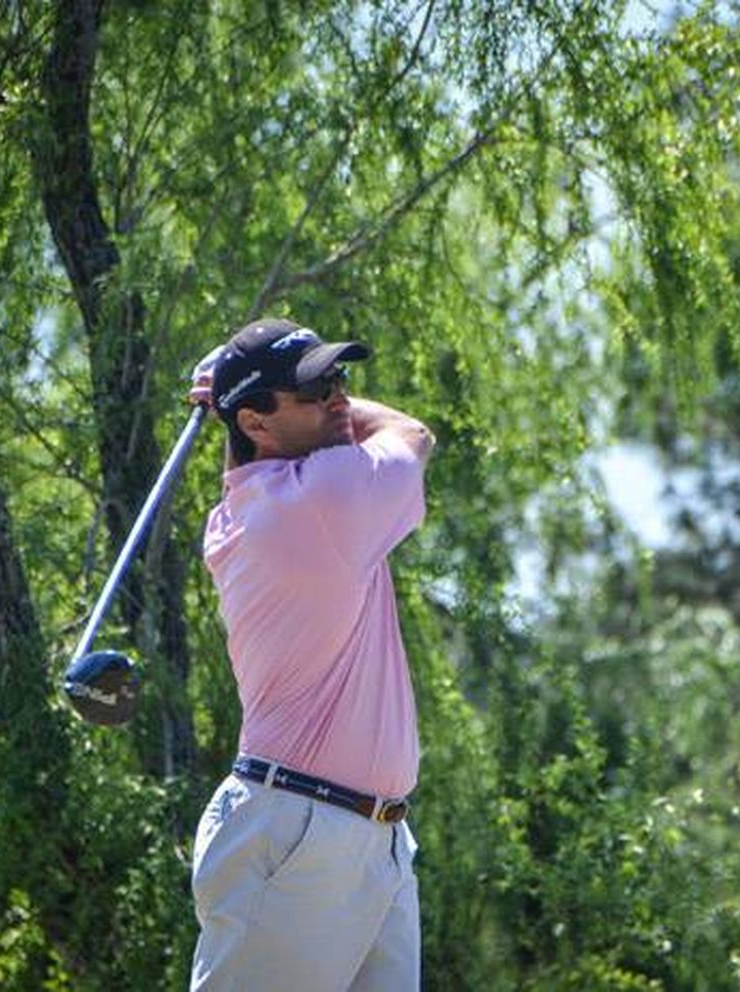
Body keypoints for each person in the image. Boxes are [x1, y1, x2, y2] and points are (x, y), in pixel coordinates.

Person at [185, 317, 435, 991]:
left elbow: (247, 457)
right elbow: (412, 435)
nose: (339, 399)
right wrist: (224, 395)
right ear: (256, 422)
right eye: (312, 389)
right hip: (299, 835)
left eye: (338, 378)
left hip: (361, 836)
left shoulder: (251, 505)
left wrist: (228, 402)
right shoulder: (321, 500)